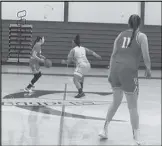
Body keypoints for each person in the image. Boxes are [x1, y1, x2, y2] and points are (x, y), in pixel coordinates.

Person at [99, 14, 151, 145]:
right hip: (128, 71)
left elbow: (113, 54)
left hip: (115, 69)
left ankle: (104, 129)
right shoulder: (141, 36)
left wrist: (110, 72)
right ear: (140, 24)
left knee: (115, 102)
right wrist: (148, 69)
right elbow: (146, 56)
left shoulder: (120, 35)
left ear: (128, 23)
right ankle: (136, 138)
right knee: (132, 107)